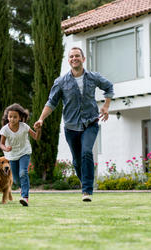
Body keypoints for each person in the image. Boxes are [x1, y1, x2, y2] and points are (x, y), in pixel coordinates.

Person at [33, 47, 114, 202]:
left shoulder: (93, 77)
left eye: (77, 56)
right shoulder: (61, 82)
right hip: (71, 127)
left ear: (83, 59)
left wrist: (106, 106)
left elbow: (109, 87)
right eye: (71, 56)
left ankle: (87, 191)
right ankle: (85, 182)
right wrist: (41, 118)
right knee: (77, 161)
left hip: (90, 123)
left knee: (86, 153)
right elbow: (52, 102)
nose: (74, 58)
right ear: (68, 60)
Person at [0, 103, 41, 207]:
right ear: (7, 117)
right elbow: (1, 144)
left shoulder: (24, 127)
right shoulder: (5, 129)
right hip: (12, 155)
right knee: (17, 179)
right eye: (10, 117)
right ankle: (23, 188)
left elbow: (36, 137)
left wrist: (38, 130)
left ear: (20, 117)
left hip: (24, 152)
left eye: (15, 117)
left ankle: (25, 197)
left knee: (23, 172)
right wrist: (6, 148)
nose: (12, 119)